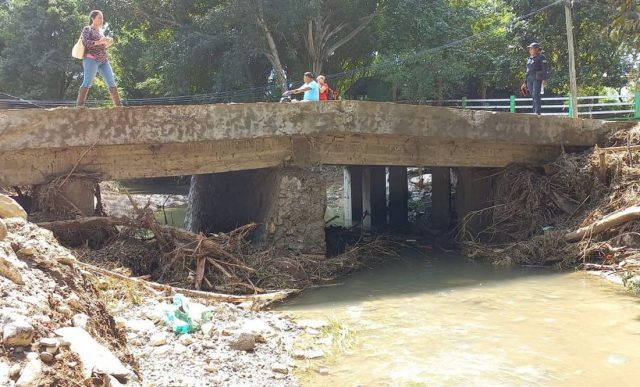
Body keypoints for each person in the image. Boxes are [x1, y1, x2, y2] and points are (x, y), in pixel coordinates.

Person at [76, 10, 121, 107]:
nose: (101, 20)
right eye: (99, 18)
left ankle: (119, 106)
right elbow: (85, 42)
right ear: (93, 18)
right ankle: (79, 106)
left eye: (102, 18)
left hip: (103, 60)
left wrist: (108, 41)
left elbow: (103, 46)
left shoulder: (100, 32)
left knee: (111, 82)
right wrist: (99, 42)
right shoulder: (87, 29)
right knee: (87, 82)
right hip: (91, 59)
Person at [521, 42, 548, 115]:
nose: (530, 50)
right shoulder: (529, 58)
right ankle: (534, 111)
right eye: (529, 49)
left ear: (536, 49)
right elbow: (527, 71)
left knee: (536, 94)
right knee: (532, 95)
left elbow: (544, 69)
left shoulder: (541, 57)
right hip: (529, 78)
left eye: (531, 48)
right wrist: (524, 82)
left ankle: (537, 112)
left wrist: (544, 79)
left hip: (537, 77)